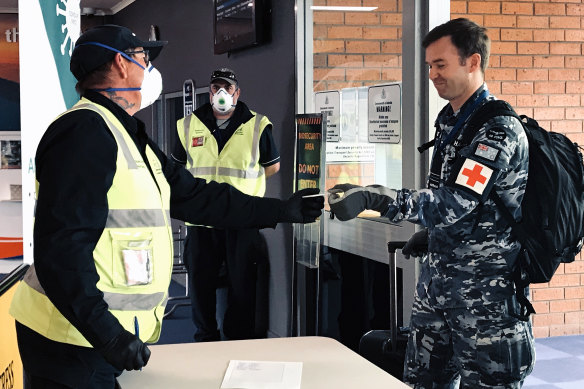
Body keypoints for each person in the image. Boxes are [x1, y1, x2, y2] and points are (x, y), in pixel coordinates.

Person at [9, 24, 323, 389]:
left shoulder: (126, 133)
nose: (150, 70)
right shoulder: (84, 132)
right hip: (69, 339)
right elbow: (60, 250)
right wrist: (107, 334)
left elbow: (196, 197)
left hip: (90, 337)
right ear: (120, 64)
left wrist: (281, 211)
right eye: (144, 59)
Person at [327, 18, 535, 388]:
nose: (432, 75)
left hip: (484, 296)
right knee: (423, 381)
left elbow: (455, 201)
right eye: (429, 66)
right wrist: (430, 235)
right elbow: (450, 202)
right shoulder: (451, 121)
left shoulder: (496, 129)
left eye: (441, 65)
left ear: (473, 62)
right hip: (438, 284)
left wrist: (378, 198)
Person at [171, 68, 280, 342]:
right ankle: (205, 337)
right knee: (200, 285)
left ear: (237, 92)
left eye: (227, 88)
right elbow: (176, 169)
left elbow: (272, 167)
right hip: (201, 220)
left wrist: (243, 191)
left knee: (241, 287)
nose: (221, 93)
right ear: (210, 92)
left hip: (241, 220)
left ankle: (236, 340)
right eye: (216, 87)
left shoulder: (257, 125)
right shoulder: (187, 125)